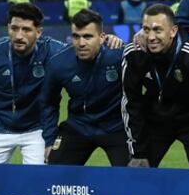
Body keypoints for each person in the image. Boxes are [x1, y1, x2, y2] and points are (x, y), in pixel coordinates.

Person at [0, 3, 64, 164]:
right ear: (8, 28)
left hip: (38, 129)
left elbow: (82, 51)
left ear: (38, 32)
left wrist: (107, 40)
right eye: (14, 28)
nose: (19, 35)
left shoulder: (52, 51)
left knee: (40, 181)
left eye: (26, 30)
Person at [121, 4, 189, 168]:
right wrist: (138, 152)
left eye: (158, 30)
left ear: (173, 31)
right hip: (156, 121)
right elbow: (130, 104)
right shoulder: (134, 54)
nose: (151, 37)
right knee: (137, 174)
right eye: (146, 30)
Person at [42, 9, 129, 166]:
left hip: (116, 127)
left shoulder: (119, 55)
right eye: (76, 36)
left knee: (133, 175)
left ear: (102, 37)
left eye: (88, 36)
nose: (81, 43)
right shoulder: (58, 63)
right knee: (54, 171)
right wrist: (49, 140)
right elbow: (48, 102)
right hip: (79, 126)